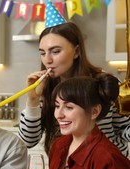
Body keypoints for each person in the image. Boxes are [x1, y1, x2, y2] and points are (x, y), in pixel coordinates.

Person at [19, 22, 130, 157]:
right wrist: (32, 100)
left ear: (76, 51)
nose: (47, 60)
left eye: (55, 51)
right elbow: (27, 141)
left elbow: (125, 128)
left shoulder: (104, 83)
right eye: (42, 53)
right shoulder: (43, 89)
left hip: (109, 164)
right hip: (67, 167)